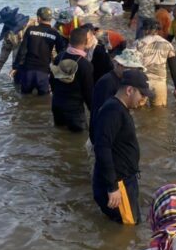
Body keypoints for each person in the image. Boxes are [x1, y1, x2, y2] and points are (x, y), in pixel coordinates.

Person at [92, 70, 154, 224]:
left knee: (128, 223)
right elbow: (102, 148)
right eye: (142, 95)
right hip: (119, 184)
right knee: (129, 227)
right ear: (129, 90)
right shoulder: (112, 111)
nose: (144, 100)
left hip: (125, 180)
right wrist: (112, 188)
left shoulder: (119, 108)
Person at [50, 27, 94, 132]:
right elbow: (88, 92)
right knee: (78, 141)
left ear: (69, 40)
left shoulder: (59, 57)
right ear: (87, 42)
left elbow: (51, 81)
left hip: (57, 106)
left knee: (60, 135)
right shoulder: (85, 65)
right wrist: (93, 111)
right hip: (74, 110)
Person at [90, 49, 145, 129]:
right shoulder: (107, 82)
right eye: (131, 69)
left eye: (136, 70)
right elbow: (103, 114)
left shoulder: (121, 80)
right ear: (119, 65)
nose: (134, 73)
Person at [12, 7, 60, 95]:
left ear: (38, 18)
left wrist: (15, 66)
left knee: (25, 99)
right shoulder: (55, 33)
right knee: (44, 100)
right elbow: (60, 53)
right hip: (43, 73)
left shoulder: (30, 30)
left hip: (28, 72)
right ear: (51, 19)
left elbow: (22, 51)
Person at [135, 19, 176, 107]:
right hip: (159, 83)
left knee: (139, 111)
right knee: (159, 113)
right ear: (157, 30)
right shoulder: (168, 44)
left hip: (142, 82)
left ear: (146, 30)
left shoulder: (138, 43)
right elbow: (174, 68)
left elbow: (132, 66)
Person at [0, 6, 31, 74]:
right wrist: (0, 64)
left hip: (31, 62)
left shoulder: (31, 25)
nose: (4, 23)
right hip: (17, 63)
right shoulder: (8, 30)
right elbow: (6, 48)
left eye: (5, 21)